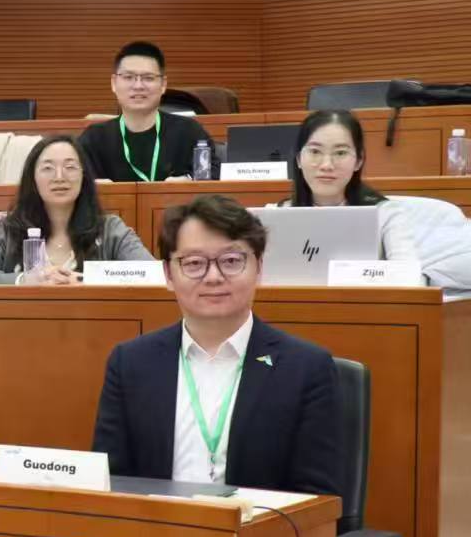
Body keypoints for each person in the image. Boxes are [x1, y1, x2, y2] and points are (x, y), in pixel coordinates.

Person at [92, 195, 339, 492]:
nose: (213, 277)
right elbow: (112, 484)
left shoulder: (306, 369)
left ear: (259, 268)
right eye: (194, 263)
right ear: (168, 274)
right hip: (157, 522)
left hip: (257, 522)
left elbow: (316, 500)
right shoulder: (130, 364)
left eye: (231, 261)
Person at [274, 109, 471, 291]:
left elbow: (410, 280)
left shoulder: (385, 213)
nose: (326, 165)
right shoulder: (275, 215)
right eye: (315, 152)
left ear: (359, 161)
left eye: (340, 153)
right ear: (299, 159)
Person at [0, 136, 153, 284]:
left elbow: (152, 274)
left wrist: (86, 280)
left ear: (84, 177)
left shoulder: (110, 229)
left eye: (70, 167)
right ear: (33, 178)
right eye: (47, 168)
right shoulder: (8, 230)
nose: (59, 177)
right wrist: (23, 280)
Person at [75, 41, 212, 183]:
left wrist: (189, 181)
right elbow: (74, 177)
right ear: (114, 83)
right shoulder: (93, 139)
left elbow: (214, 172)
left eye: (148, 78)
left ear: (163, 85)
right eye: (128, 77)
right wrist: (89, 186)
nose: (138, 86)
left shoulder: (189, 132)